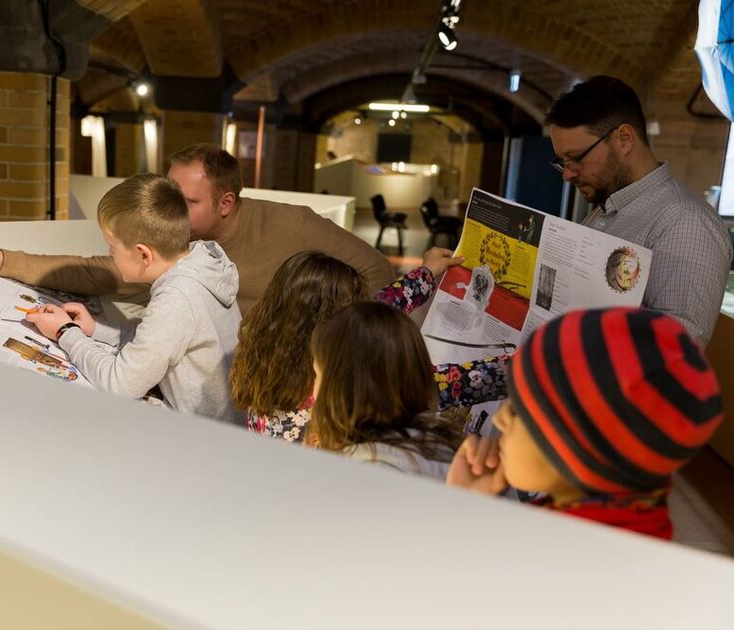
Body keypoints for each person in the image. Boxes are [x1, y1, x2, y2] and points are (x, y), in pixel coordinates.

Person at [0, 143, 394, 316]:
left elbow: (379, 277)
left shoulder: (295, 224)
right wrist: (5, 260)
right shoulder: (175, 240)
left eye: (186, 202)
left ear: (227, 203)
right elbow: (100, 271)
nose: (169, 208)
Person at [446, 307, 724, 540]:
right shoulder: (607, 527)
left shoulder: (554, 566)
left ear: (584, 453)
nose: (500, 419)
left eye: (521, 412)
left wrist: (461, 517)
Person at [24, 174, 242, 423]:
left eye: (112, 247)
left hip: (204, 436)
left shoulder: (178, 297)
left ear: (143, 255)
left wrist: (65, 332)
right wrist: (94, 329)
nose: (110, 254)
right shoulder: (199, 264)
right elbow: (157, 341)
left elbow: (121, 385)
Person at [231, 248, 508, 443]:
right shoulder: (348, 385)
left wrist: (426, 274)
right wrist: (528, 365)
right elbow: (450, 382)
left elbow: (374, 306)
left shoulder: (266, 345)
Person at [545, 75, 732, 345]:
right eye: (562, 162)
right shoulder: (608, 208)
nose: (567, 174)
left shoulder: (687, 222)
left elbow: (676, 348)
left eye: (575, 158)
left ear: (623, 139)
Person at [307, 302, 465, 479]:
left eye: (317, 375)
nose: (313, 390)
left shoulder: (364, 475)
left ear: (345, 388)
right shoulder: (434, 446)